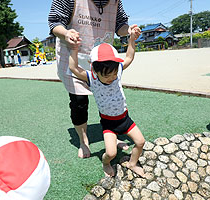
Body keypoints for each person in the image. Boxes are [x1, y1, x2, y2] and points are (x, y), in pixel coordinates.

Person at [48, 0, 139, 158]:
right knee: (79, 101)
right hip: (75, 54)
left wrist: (129, 31)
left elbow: (121, 25)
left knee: (107, 99)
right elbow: (55, 22)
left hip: (104, 61)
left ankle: (112, 136)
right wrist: (66, 33)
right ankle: (84, 141)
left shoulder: (116, 1)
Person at [68, 27, 145, 177]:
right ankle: (105, 163)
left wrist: (132, 40)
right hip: (109, 124)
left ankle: (132, 163)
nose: (112, 77)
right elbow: (73, 67)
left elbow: (129, 57)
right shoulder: (92, 78)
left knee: (140, 142)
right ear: (95, 70)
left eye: (114, 73)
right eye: (107, 75)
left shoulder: (118, 71)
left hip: (125, 119)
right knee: (110, 153)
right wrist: (74, 49)